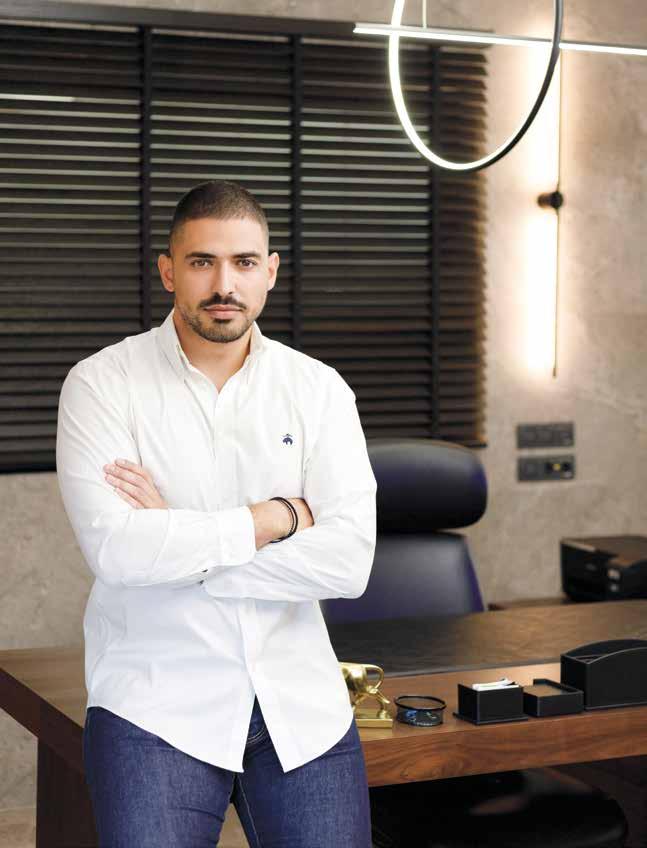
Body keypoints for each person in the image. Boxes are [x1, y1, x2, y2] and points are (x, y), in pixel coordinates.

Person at [55, 179, 378, 846]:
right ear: (168, 271)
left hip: (299, 704)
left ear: (270, 272)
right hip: (154, 707)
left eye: (244, 262)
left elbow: (348, 564)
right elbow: (118, 553)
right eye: (202, 262)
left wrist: (179, 539)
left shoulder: (318, 390)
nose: (224, 284)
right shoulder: (101, 384)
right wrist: (274, 518)